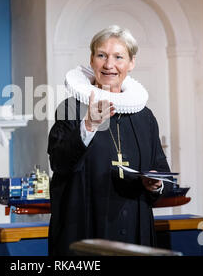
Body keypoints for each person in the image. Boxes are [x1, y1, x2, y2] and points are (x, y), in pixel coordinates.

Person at [47, 25, 173, 256]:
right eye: (101, 55)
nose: (109, 65)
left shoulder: (144, 117)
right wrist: (88, 125)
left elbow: (161, 168)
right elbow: (59, 162)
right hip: (85, 223)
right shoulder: (70, 109)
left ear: (131, 63)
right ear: (92, 59)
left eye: (118, 57)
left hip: (134, 223)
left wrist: (156, 184)